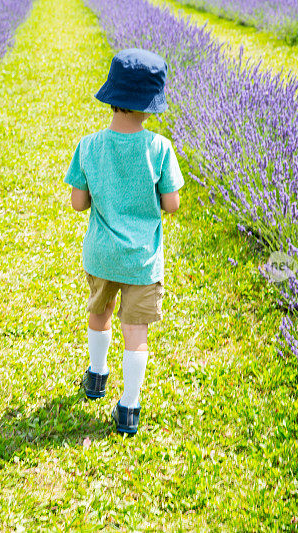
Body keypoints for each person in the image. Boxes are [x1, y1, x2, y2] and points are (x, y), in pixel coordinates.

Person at [64, 48, 184, 436]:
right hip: (142, 260)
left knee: (98, 313)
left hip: (101, 255)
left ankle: (96, 375)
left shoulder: (88, 145)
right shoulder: (160, 148)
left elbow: (79, 203)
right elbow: (172, 204)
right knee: (137, 333)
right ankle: (129, 407)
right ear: (151, 106)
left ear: (112, 95)